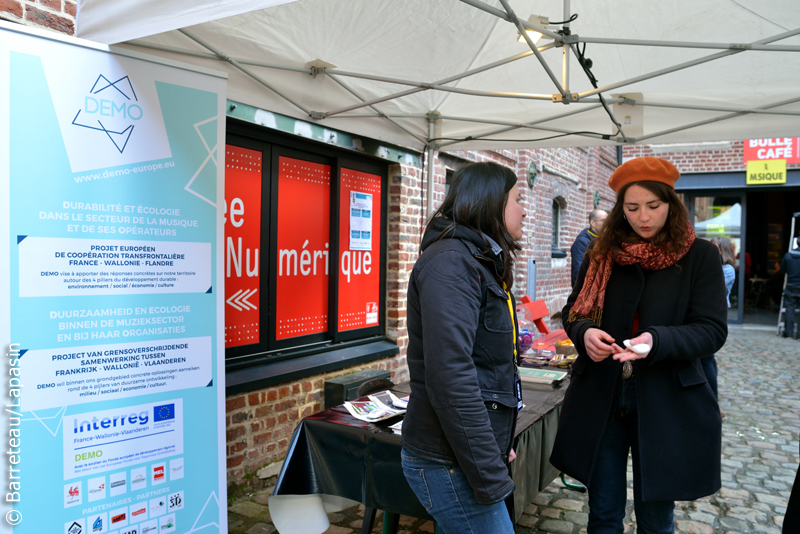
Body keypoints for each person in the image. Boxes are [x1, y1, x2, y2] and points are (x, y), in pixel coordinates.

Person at [550, 156, 728, 533]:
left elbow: (712, 330)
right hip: (603, 393)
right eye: (632, 208)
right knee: (602, 514)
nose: (643, 217)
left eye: (653, 206)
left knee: (656, 520)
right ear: (620, 209)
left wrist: (658, 340)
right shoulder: (601, 254)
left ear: (671, 204)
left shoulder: (701, 256)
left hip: (666, 398)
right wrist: (584, 334)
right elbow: (573, 311)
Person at [401, 161, 526, 533]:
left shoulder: (476, 259)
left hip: (462, 453)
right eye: (517, 199)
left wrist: (496, 441)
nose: (524, 209)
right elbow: (452, 376)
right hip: (446, 458)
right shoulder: (452, 263)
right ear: (490, 203)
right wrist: (489, 470)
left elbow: (487, 367)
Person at [700, 237, 736, 399]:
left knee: (707, 359)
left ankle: (712, 399)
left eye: (714, 247)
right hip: (705, 314)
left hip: (714, 315)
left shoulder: (727, 270)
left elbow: (710, 286)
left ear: (723, 250)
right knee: (708, 359)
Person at [571, 208, 608, 286]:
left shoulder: (603, 239)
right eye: (604, 221)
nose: (607, 224)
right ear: (593, 223)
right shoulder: (582, 242)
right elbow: (579, 273)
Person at [780, 233, 800, 339]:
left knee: (790, 309)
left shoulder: (788, 256)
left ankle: (788, 332)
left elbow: (782, 270)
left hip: (791, 285)